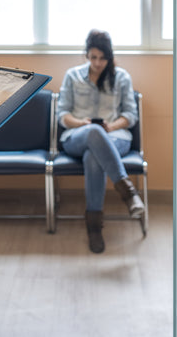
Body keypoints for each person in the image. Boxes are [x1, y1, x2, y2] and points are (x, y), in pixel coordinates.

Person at [57, 29, 145, 253]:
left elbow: (130, 116)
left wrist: (110, 127)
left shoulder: (122, 77)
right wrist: (82, 124)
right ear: (86, 55)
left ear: (110, 57)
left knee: (93, 157)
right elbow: (63, 115)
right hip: (76, 136)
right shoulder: (72, 76)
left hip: (116, 137)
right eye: (93, 57)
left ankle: (94, 227)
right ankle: (129, 193)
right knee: (93, 133)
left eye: (102, 58)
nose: (97, 63)